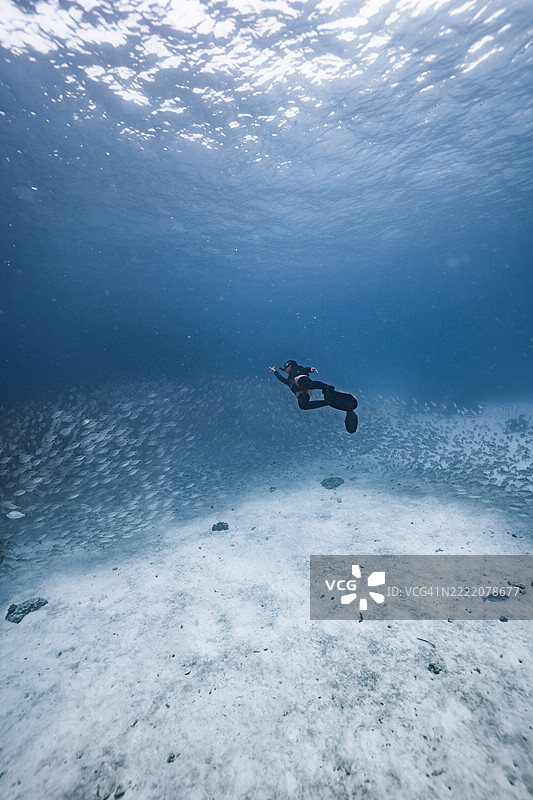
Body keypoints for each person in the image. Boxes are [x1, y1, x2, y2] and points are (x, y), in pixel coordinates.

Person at [269, 359, 358, 433]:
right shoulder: (289, 380)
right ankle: (328, 402)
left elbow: (304, 369)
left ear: (291, 365)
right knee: (303, 406)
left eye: (286, 366)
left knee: (306, 383)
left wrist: (310, 369)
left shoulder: (296, 370)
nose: (285, 369)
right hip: (301, 392)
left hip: (301, 381)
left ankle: (326, 387)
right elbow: (282, 379)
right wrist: (275, 372)